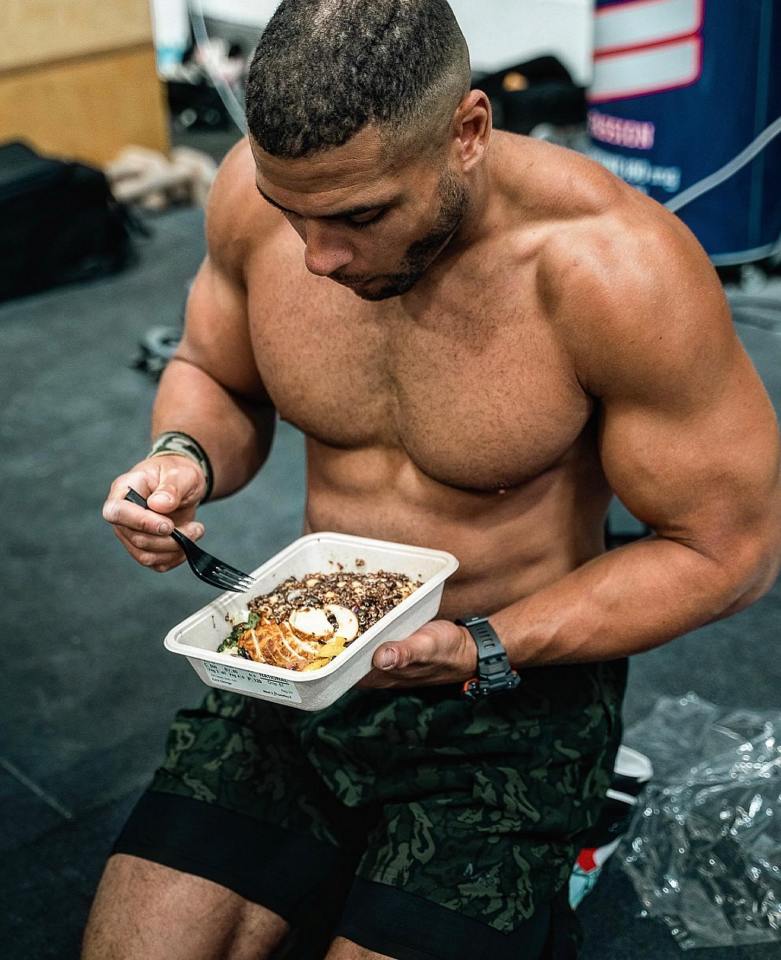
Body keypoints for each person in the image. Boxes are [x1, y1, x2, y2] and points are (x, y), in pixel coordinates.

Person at [87, 1, 781, 958]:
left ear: (467, 133)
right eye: (297, 217)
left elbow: (728, 552)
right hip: (305, 659)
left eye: (360, 215)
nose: (319, 259)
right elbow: (215, 372)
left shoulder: (615, 269)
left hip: (511, 687)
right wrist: (182, 460)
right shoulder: (261, 196)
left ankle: (574, 803)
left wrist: (486, 645)